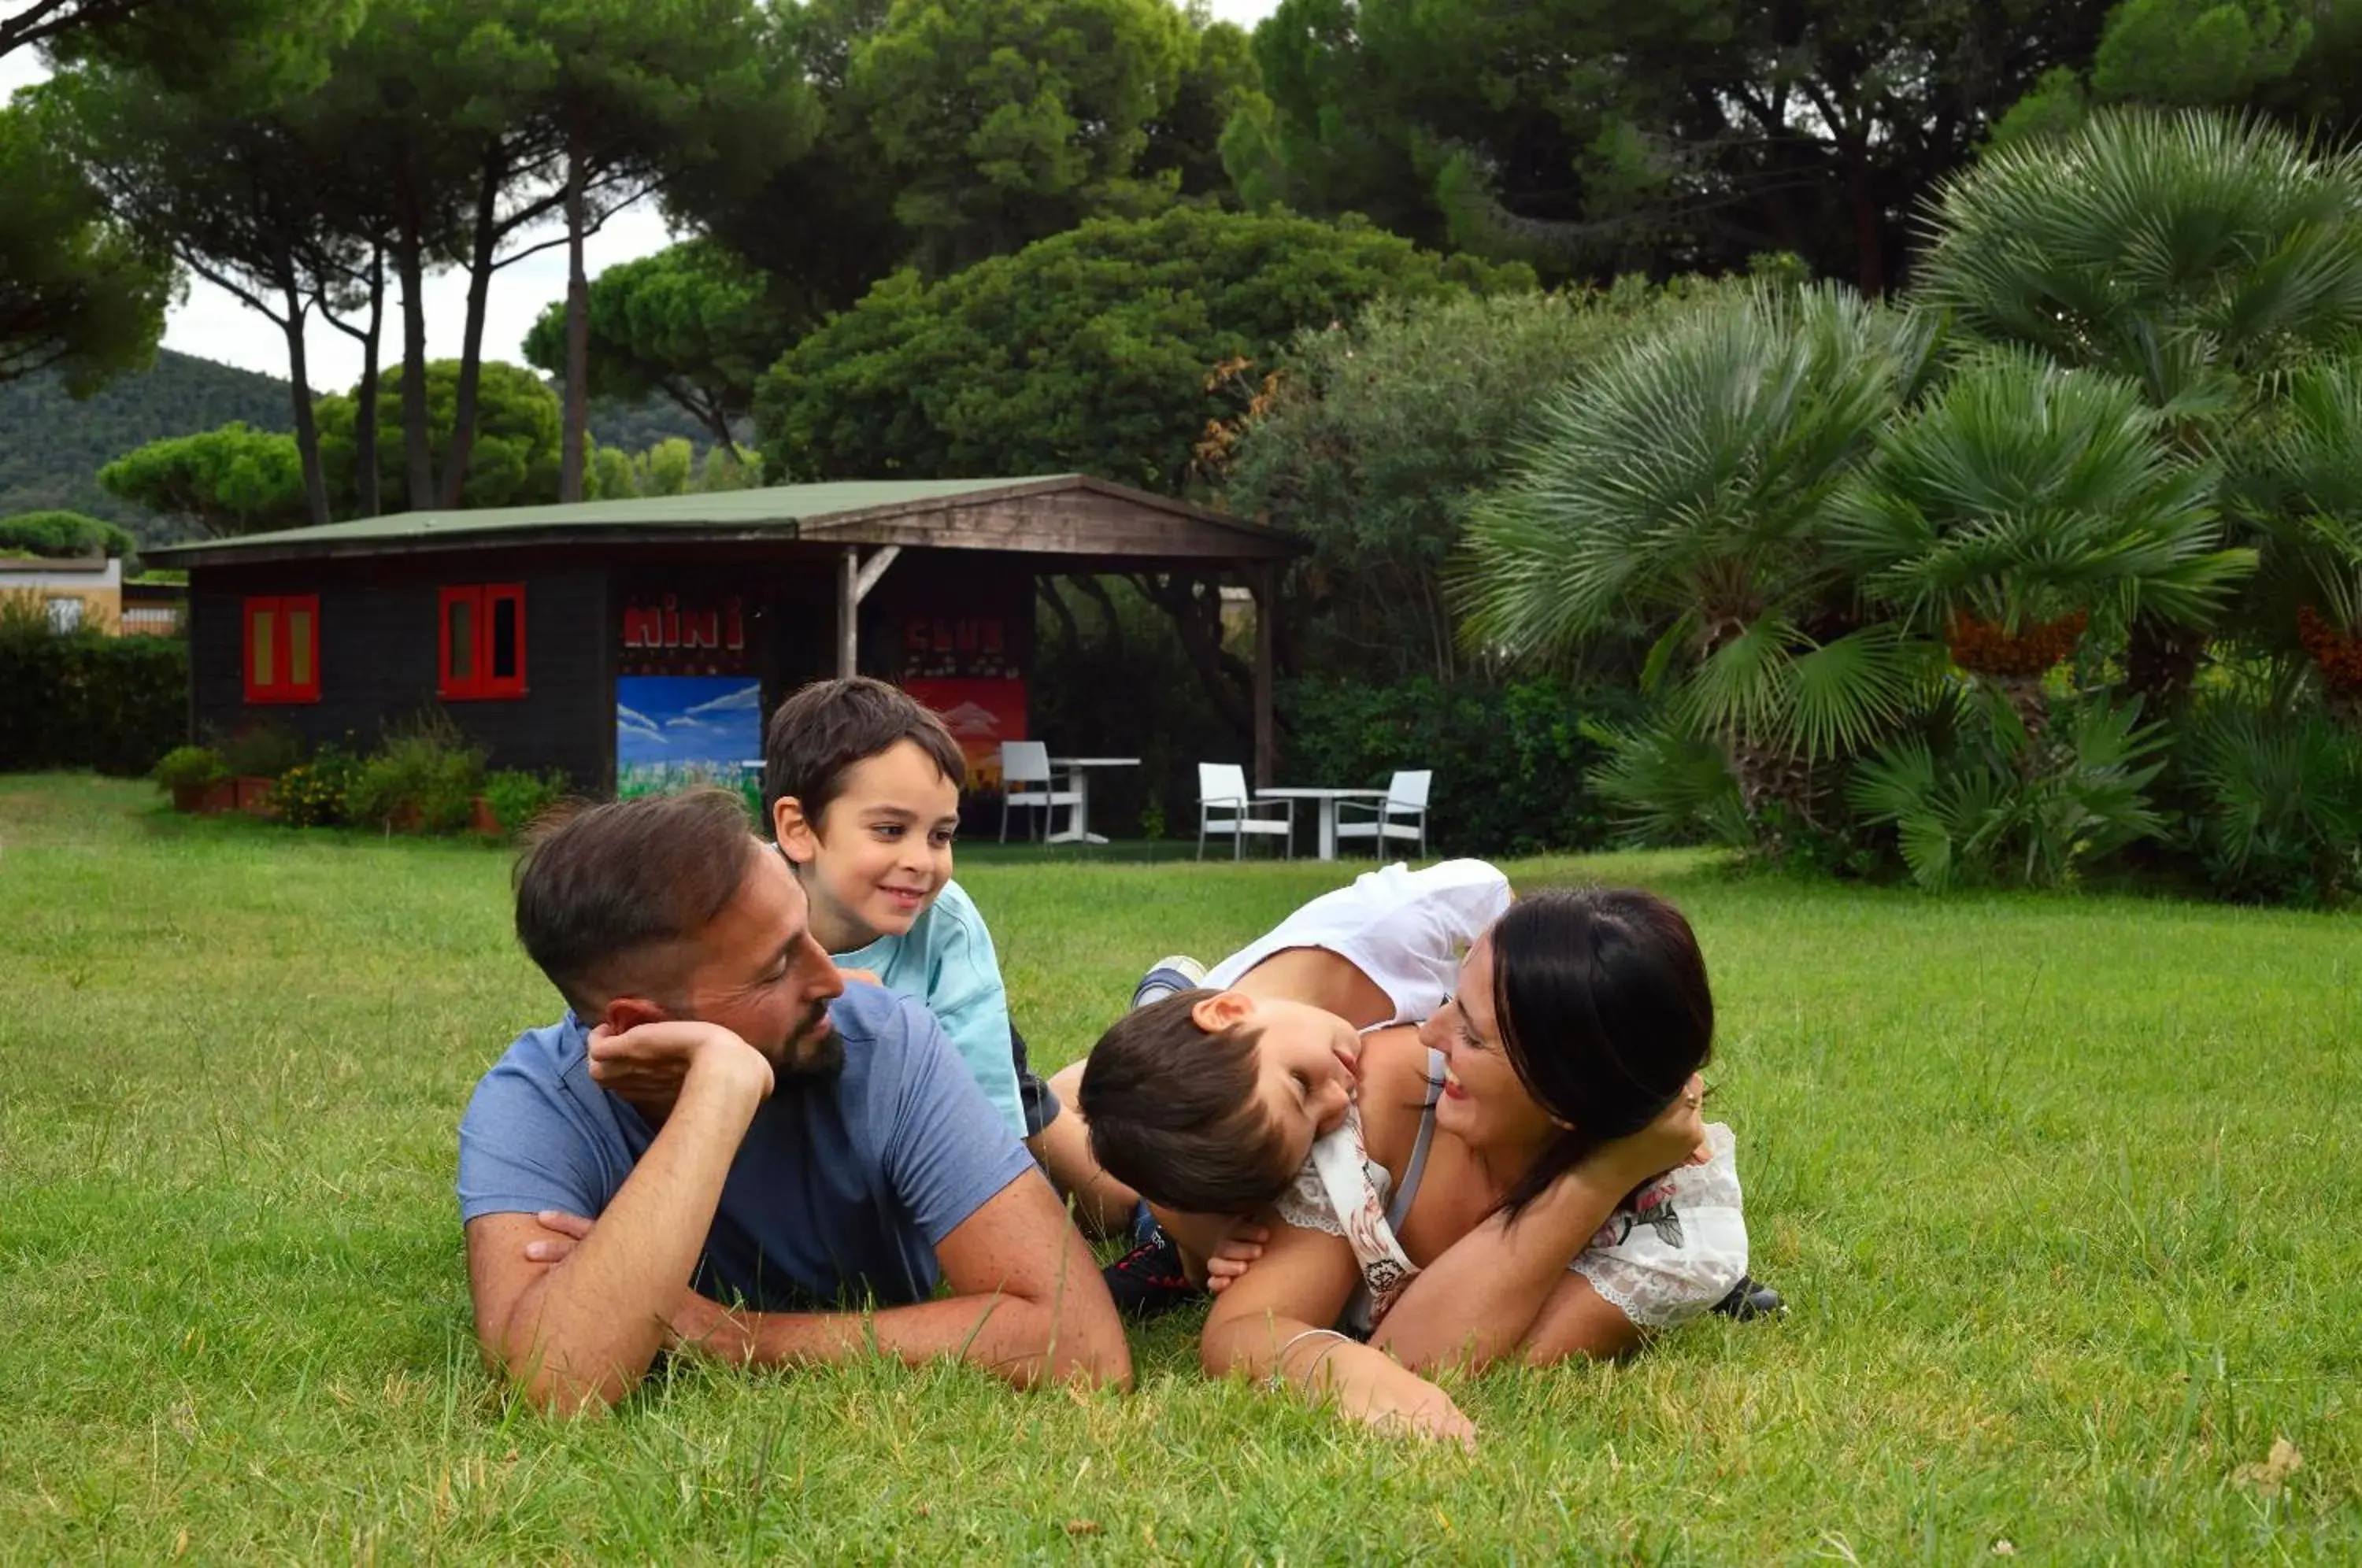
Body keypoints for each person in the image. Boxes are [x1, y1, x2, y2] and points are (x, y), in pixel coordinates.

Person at [455, 786, 1129, 1414]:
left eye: (807, 932)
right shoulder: (537, 1102)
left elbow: (1082, 1347)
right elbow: (555, 1383)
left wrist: (739, 1338)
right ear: (637, 1025)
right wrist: (717, 1092)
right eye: (777, 967)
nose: (832, 981)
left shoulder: (889, 1041)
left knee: (1113, 1185)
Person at [1061, 877, 1762, 1442]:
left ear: (1565, 1102)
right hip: (1203, 1187)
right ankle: (1090, 1060)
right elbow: (1248, 1329)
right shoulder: (1379, 1097)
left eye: (1475, 1036)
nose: (1427, 1028)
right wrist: (1334, 1367)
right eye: (1453, 998)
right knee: (1141, 1190)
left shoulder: (1674, 1235)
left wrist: (1598, 1177)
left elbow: (1436, 1357)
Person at [764, 677, 1057, 1150]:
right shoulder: (733, 910)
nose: (922, 861)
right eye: (890, 829)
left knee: (1093, 1174)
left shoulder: (946, 920)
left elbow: (984, 1125)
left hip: (947, 1065)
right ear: (799, 830)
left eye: (940, 836)